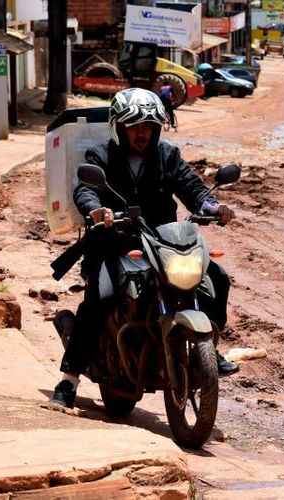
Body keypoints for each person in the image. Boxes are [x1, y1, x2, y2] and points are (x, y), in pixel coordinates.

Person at [50, 88, 239, 409]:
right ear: (119, 128)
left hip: (162, 242)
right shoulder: (101, 156)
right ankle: (69, 380)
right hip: (113, 243)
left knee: (216, 278)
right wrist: (96, 210)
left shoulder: (167, 156)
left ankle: (209, 345)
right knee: (98, 298)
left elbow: (192, 188)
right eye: (135, 127)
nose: (142, 134)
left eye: (149, 127)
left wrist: (213, 205)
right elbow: (84, 190)